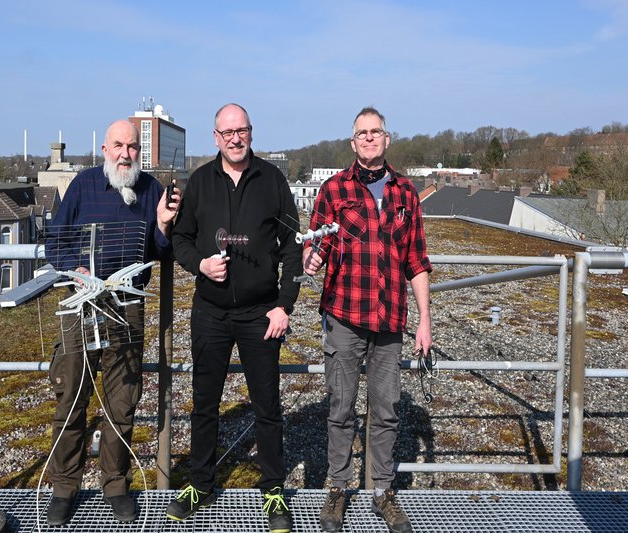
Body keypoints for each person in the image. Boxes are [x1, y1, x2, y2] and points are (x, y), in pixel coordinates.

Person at [167, 103, 302, 533]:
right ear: (215, 137)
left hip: (261, 314)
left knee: (267, 405)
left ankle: (273, 489)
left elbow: (293, 247)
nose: (235, 138)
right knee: (205, 403)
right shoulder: (201, 182)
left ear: (251, 132)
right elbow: (180, 239)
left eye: (241, 131)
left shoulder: (273, 180)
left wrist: (284, 304)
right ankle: (200, 484)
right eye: (227, 133)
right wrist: (200, 265)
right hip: (210, 312)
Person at [44, 119, 180, 526]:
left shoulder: (152, 190)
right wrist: (76, 268)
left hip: (127, 307)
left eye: (133, 147)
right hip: (82, 305)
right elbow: (54, 241)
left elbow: (162, 251)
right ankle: (64, 487)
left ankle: (115, 483)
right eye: (118, 145)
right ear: (104, 149)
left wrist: (162, 224)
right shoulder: (83, 186)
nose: (126, 154)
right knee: (71, 398)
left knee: (122, 401)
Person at [302, 106, 432, 533]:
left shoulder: (406, 193)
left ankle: (382, 491)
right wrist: (312, 259)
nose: (370, 139)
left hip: (391, 321)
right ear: (353, 142)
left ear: (387, 139)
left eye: (376, 132)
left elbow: (416, 261)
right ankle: (337, 489)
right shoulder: (333, 190)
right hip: (343, 317)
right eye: (362, 133)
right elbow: (312, 249)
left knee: (388, 409)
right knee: (340, 408)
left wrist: (425, 322)